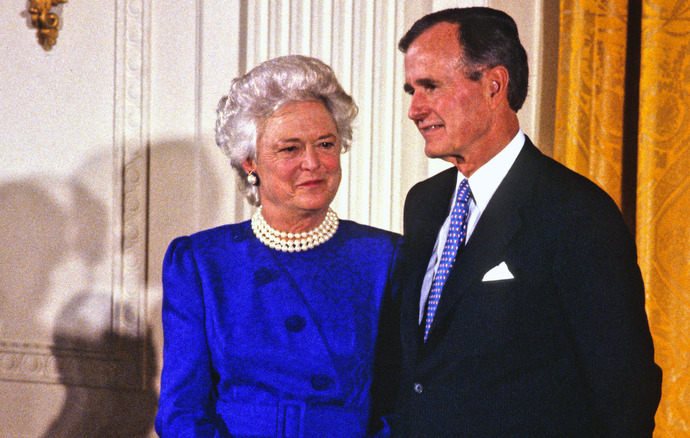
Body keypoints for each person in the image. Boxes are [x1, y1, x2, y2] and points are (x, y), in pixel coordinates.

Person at [392, 7, 662, 437]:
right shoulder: (424, 203)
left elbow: (625, 392)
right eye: (411, 90)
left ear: (494, 85)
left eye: (430, 86)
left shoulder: (576, 211)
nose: (415, 110)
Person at [155, 55, 400, 437]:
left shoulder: (385, 258)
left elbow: (400, 405)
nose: (313, 163)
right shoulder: (202, 263)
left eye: (325, 144)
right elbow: (181, 411)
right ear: (249, 160)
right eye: (290, 149)